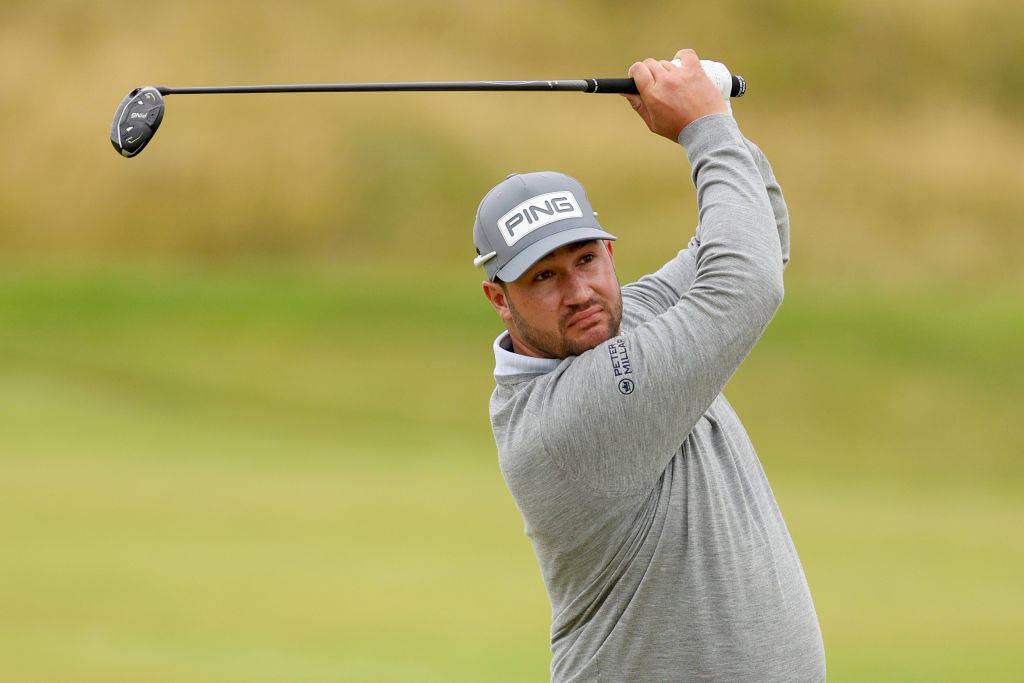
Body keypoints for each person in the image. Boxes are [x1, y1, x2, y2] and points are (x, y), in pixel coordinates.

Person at [473, 50, 826, 681]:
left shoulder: (622, 322)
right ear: (500, 298)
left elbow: (760, 235)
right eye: (544, 277)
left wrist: (710, 112)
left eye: (585, 260)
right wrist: (702, 126)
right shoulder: (570, 419)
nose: (578, 292)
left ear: (610, 252)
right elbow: (746, 285)